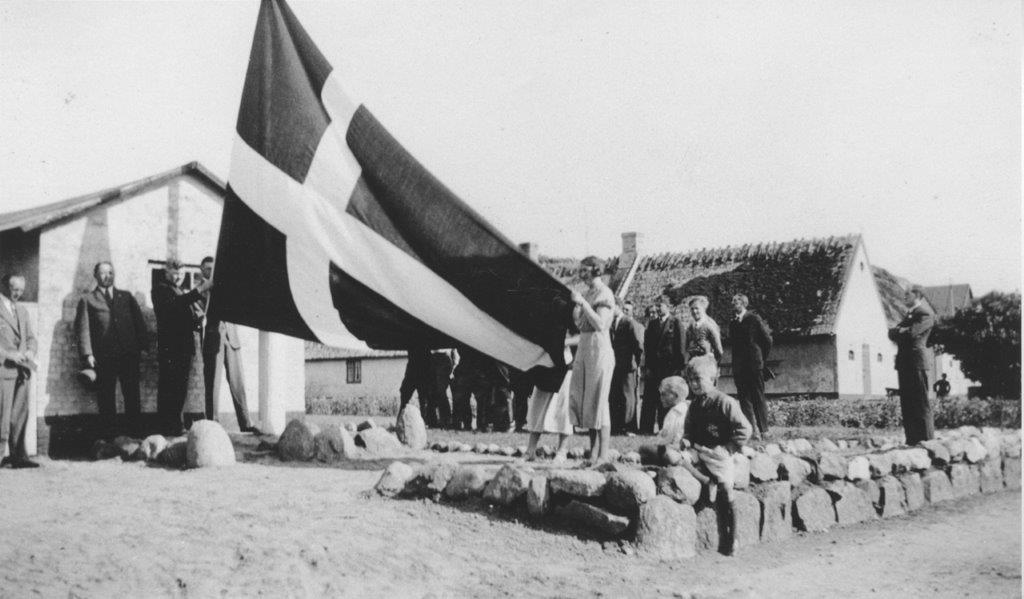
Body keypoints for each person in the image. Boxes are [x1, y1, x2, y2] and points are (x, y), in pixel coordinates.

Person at [681, 356, 753, 556]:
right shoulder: (694, 405)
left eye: (698, 379)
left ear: (712, 378)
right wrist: (686, 440)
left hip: (718, 453)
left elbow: (745, 429)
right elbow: (689, 430)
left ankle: (731, 537)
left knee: (726, 488)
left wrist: (730, 447)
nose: (693, 384)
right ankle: (706, 481)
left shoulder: (725, 402)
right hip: (699, 449)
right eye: (690, 380)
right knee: (676, 458)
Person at [75, 261, 148, 434]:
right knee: (106, 396)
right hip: (104, 356)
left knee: (132, 395)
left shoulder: (126, 296)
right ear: (96, 276)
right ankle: (109, 437)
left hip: (128, 355)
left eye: (110, 272)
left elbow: (139, 323)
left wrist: (142, 348)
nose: (108, 276)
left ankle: (134, 433)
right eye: (103, 273)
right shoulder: (88, 299)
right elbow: (82, 329)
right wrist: (88, 354)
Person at [197, 256, 260, 434]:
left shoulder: (224, 285)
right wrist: (209, 289)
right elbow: (202, 313)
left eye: (213, 268)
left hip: (231, 338)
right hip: (212, 338)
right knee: (213, 383)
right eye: (207, 268)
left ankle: (246, 422)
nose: (211, 271)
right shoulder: (200, 289)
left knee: (238, 381)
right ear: (202, 270)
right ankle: (213, 423)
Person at [152, 258, 208, 436]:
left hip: (183, 347)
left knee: (179, 389)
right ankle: (167, 426)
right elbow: (175, 306)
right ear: (166, 273)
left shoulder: (180, 291)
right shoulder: (161, 289)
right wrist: (199, 290)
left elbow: (187, 314)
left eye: (181, 274)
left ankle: (175, 425)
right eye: (175, 273)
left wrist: (198, 320)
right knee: (169, 388)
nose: (178, 277)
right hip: (170, 347)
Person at [568, 256, 615, 463]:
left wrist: (583, 303)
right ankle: (593, 454)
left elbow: (601, 324)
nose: (582, 274)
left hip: (599, 350)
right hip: (586, 349)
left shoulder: (605, 293)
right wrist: (577, 308)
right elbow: (581, 325)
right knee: (589, 403)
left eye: (585, 270)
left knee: (600, 402)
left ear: (596, 270)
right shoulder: (588, 293)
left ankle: (602, 456)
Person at [0, 275, 39, 468]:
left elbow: (31, 338)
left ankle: (18, 456)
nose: (18, 294)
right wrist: (7, 355)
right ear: (4, 286)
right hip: (4, 370)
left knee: (19, 415)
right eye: (14, 289)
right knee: (2, 415)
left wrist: (30, 351)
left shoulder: (22, 311)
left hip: (22, 372)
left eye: (21, 291)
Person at [889, 287, 936, 445]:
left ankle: (927, 440)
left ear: (917, 296)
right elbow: (891, 333)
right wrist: (901, 330)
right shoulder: (909, 315)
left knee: (920, 402)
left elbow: (911, 334)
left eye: (907, 294)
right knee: (907, 403)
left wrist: (902, 330)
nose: (904, 297)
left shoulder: (925, 314)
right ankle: (912, 439)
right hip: (904, 362)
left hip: (916, 362)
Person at [728, 293, 772, 440]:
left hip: (754, 366)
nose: (734, 305)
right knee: (744, 399)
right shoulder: (733, 323)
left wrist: (760, 359)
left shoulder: (753, 319)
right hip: (740, 368)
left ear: (744, 304)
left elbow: (767, 340)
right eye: (733, 302)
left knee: (758, 397)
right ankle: (751, 430)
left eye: (737, 302)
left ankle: (764, 430)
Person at [523, 342, 576, 462]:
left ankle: (562, 451)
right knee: (537, 405)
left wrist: (564, 341)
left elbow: (581, 334)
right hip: (544, 360)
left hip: (566, 362)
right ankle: (530, 450)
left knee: (564, 407)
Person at [640, 296, 685, 434]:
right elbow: (648, 348)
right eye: (657, 306)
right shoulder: (653, 324)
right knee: (650, 399)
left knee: (666, 399)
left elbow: (681, 347)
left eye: (661, 306)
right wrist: (647, 367)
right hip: (654, 369)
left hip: (669, 368)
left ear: (668, 307)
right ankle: (646, 429)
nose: (658, 309)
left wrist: (679, 368)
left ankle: (665, 428)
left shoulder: (676, 323)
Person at [638, 376, 689, 466]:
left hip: (675, 452)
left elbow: (665, 439)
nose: (660, 398)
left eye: (663, 394)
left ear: (675, 395)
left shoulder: (674, 413)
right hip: (686, 451)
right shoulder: (687, 407)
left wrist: (656, 440)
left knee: (643, 448)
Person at [610, 298, 643, 435]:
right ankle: (617, 426)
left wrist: (638, 365)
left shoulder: (629, 322)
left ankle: (629, 427)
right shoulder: (612, 323)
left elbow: (638, 346)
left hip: (628, 366)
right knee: (615, 396)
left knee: (628, 397)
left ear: (618, 306)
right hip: (615, 366)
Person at [684, 295, 723, 363]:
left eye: (697, 308)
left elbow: (719, 351)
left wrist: (714, 364)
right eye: (692, 309)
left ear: (703, 308)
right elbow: (686, 346)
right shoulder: (691, 326)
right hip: (693, 364)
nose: (694, 311)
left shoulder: (710, 325)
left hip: (706, 365)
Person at [399, 346, 433, 419]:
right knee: (405, 394)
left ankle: (426, 420)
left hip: (422, 370)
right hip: (414, 370)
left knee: (424, 398)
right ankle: (401, 419)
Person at [426, 349, 455, 429]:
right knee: (433, 393)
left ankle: (446, 420)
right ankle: (433, 421)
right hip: (433, 356)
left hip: (443, 356)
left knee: (441, 392)